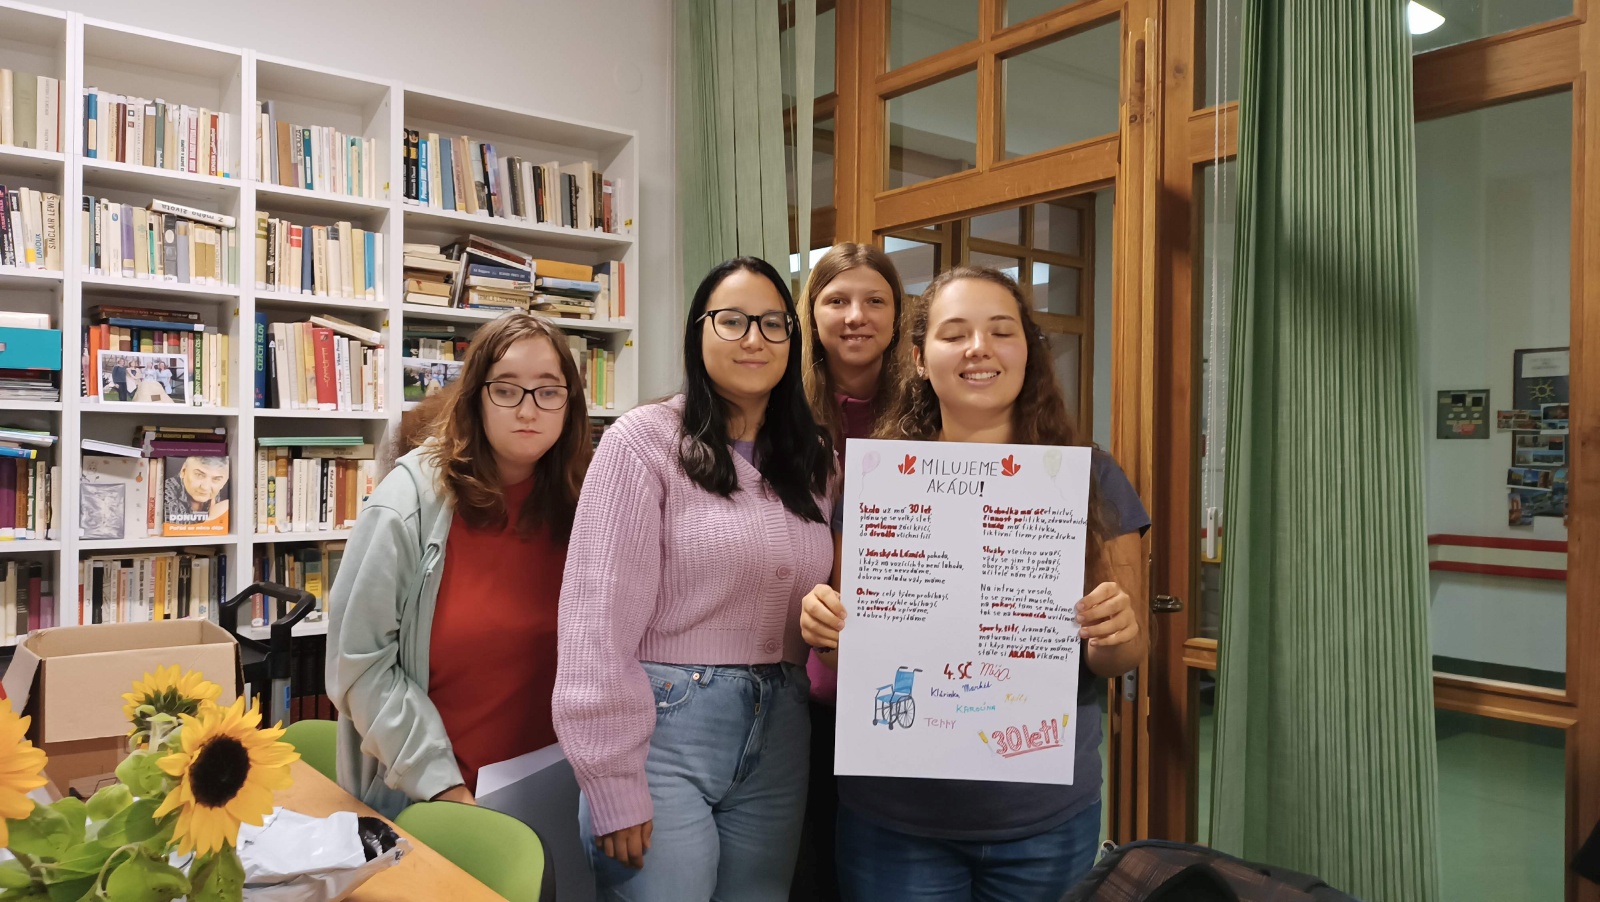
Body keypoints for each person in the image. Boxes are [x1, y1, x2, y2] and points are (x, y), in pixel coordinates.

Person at [800, 266, 1151, 901]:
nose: (978, 349)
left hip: (1043, 817)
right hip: (895, 820)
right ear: (918, 358)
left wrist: (1114, 633)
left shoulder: (1091, 479)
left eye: (1001, 331)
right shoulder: (879, 483)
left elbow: (1125, 654)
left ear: (1028, 350)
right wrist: (826, 632)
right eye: (954, 333)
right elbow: (846, 655)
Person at [554, 257, 837, 901]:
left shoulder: (815, 460)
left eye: (773, 323)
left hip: (782, 729)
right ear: (697, 332)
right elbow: (595, 623)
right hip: (665, 730)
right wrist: (611, 777)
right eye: (731, 320)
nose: (754, 338)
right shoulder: (642, 442)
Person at [327, 313, 591, 818]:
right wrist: (444, 790)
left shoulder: (587, 503)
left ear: (570, 405)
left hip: (557, 791)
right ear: (475, 397)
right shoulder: (407, 504)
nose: (528, 409)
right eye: (506, 390)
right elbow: (359, 664)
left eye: (548, 391)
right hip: (435, 802)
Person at [791, 242, 906, 902]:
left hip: (899, 687)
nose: (855, 316)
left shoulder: (929, 415)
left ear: (898, 317)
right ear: (811, 313)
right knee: (811, 869)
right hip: (806, 692)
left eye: (874, 301)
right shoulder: (779, 412)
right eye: (836, 300)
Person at [163, 456, 230, 531]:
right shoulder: (166, 496)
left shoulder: (218, 494)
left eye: (216, 479)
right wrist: (213, 518)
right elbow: (175, 533)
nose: (205, 487)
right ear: (183, 471)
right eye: (199, 475)